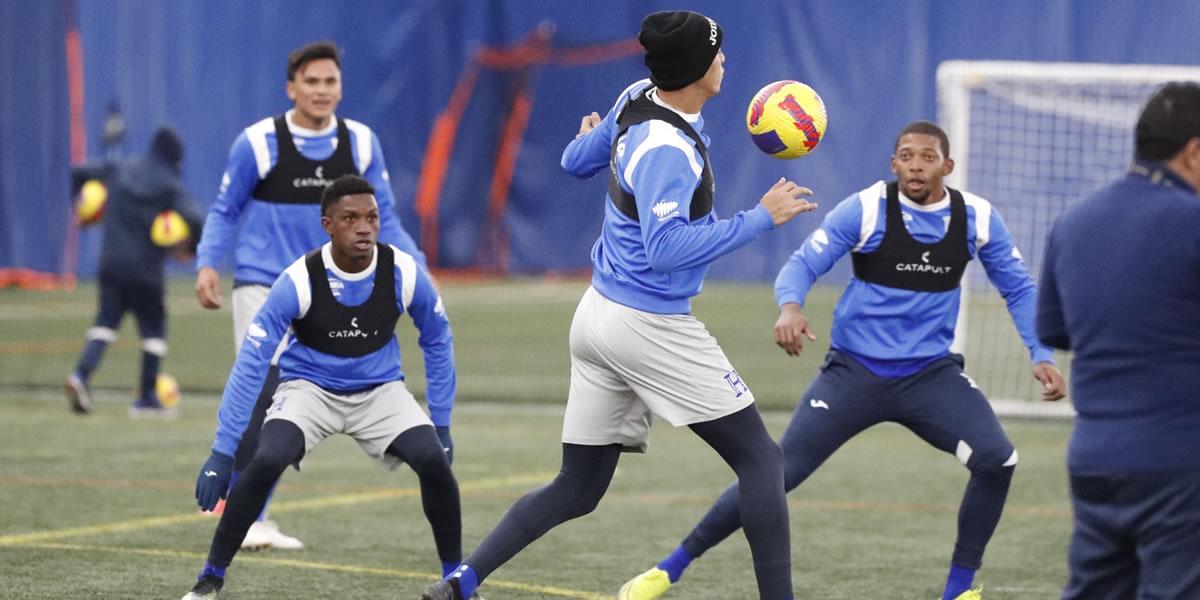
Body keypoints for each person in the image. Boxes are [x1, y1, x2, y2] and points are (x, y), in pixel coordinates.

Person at [421, 11, 817, 600]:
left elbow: (573, 161)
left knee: (577, 488)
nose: (725, 60)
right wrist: (762, 217)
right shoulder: (665, 148)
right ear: (693, 69)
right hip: (648, 323)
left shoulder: (637, 96)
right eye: (717, 52)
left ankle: (461, 583)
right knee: (762, 461)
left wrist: (593, 137)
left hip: (598, 317)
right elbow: (664, 250)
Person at [618, 120, 1067, 600]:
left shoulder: (977, 217)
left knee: (999, 460)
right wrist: (790, 307)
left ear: (948, 166)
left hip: (931, 375)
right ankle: (669, 569)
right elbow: (803, 264)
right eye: (907, 156)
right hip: (854, 374)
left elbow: (1019, 288)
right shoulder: (868, 208)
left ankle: (959, 591)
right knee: (775, 473)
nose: (916, 164)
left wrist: (1040, 353)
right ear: (893, 164)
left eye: (928, 156)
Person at [183, 175, 466, 600]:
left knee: (432, 461)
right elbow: (251, 364)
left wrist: (441, 425)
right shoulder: (297, 280)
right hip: (308, 390)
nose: (364, 227)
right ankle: (210, 578)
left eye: (371, 217)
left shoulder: (404, 272)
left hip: (379, 390)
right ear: (327, 225)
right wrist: (222, 452)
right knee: (265, 460)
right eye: (350, 218)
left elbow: (438, 339)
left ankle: (456, 580)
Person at [193, 40, 427, 550]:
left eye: (330, 82)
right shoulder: (258, 142)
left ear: (340, 87)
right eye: (312, 82)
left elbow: (384, 215)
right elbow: (225, 209)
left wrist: (419, 272)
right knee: (270, 393)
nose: (322, 91)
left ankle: (254, 515)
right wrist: (207, 262)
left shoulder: (361, 142)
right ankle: (249, 516)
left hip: (330, 292)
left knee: (293, 404)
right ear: (291, 88)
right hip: (263, 286)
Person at [1038, 82, 1200, 600]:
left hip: (1096, 460)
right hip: (1182, 461)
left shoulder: (1073, 222)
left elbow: (1055, 330)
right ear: (1194, 152)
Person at [64, 127, 203, 418]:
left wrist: (80, 207)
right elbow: (195, 217)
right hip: (146, 271)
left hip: (111, 264)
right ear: (173, 158)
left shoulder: (119, 168)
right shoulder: (168, 183)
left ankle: (80, 377)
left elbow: (77, 172)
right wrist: (191, 248)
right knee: (153, 332)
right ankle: (147, 399)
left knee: (105, 325)